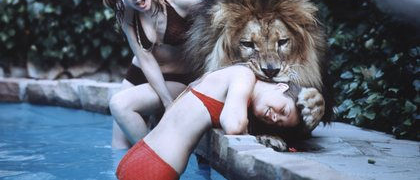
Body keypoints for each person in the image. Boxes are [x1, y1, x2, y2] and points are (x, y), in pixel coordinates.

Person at [116, 64, 324, 180]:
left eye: (279, 123)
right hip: (154, 169)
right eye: (283, 110)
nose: (274, 118)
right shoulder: (244, 75)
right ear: (281, 87)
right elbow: (232, 125)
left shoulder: (236, 81)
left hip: (142, 157)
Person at [102, 0, 201, 148]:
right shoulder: (125, 14)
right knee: (119, 145)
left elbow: (222, 16)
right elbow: (145, 59)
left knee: (120, 105)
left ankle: (157, 157)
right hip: (140, 73)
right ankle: (146, 163)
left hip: (178, 78)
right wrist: (167, 103)